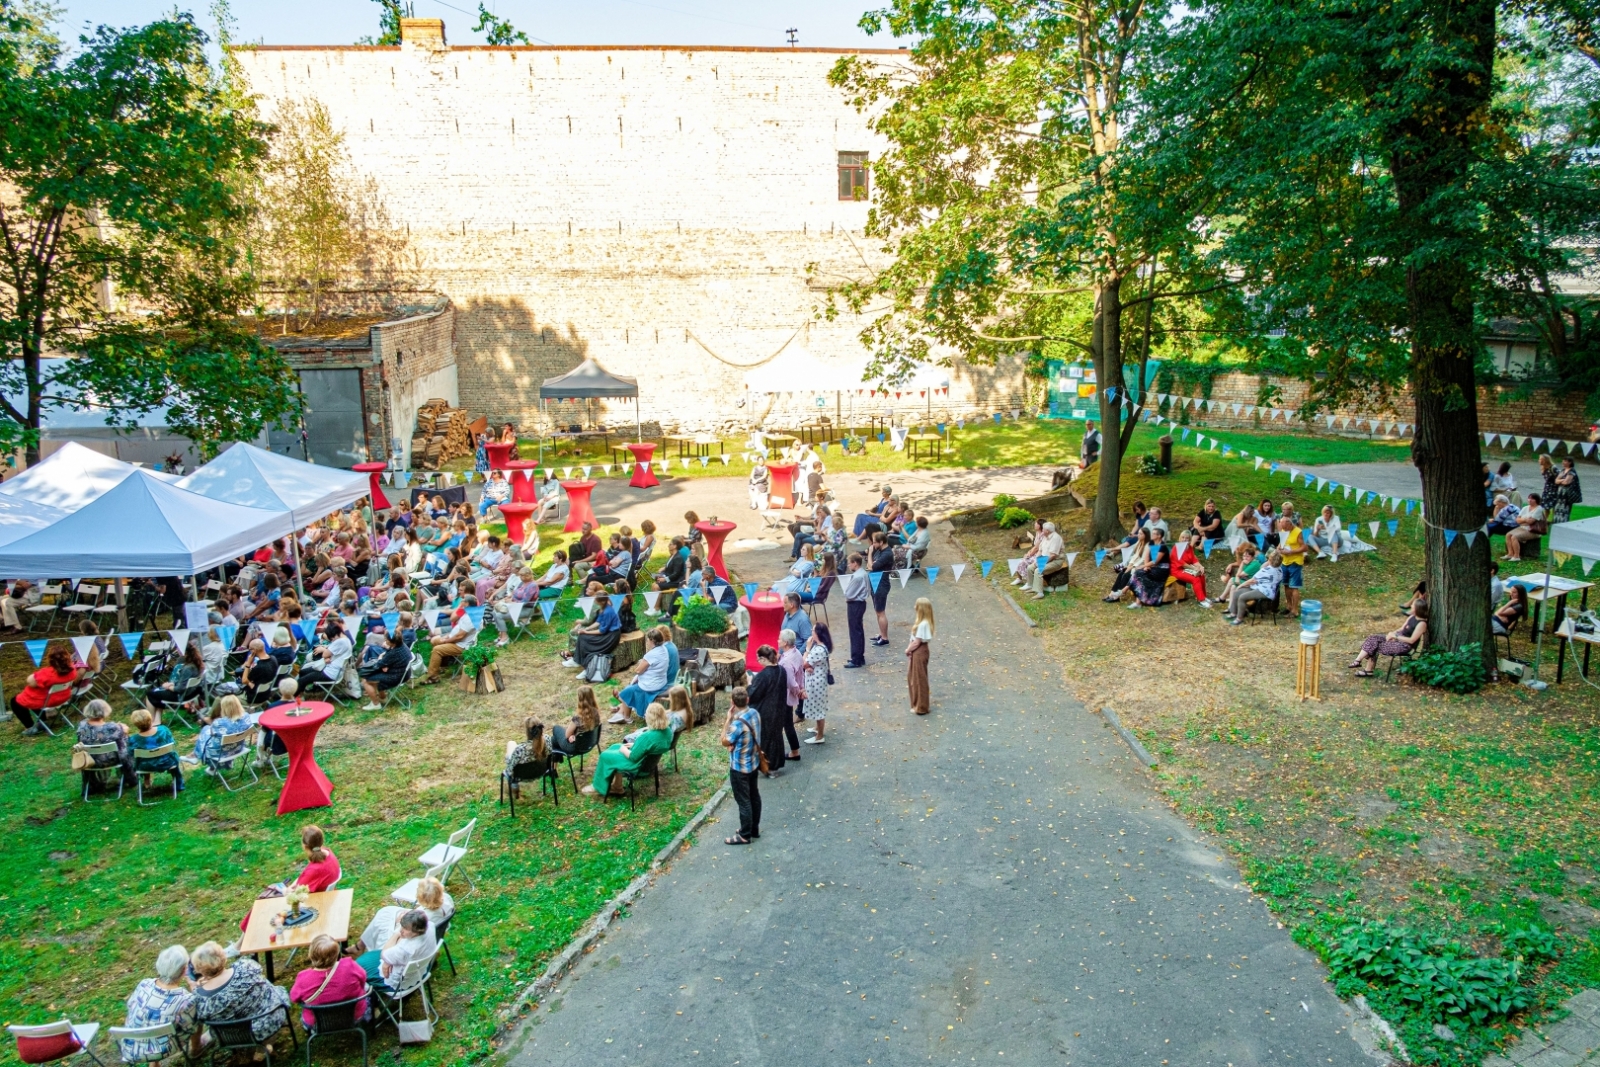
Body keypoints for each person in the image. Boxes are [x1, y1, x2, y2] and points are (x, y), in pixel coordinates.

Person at [190, 942, 290, 1044]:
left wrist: (203, 986)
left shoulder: (200, 997)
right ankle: (266, 1044)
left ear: (199, 969)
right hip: (266, 1023)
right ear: (222, 956)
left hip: (230, 1038)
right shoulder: (246, 967)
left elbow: (201, 1018)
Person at [120, 946, 197, 1062]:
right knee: (197, 1017)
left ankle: (154, 1064)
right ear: (184, 970)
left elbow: (130, 1006)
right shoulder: (185, 999)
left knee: (150, 1020)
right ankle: (197, 1049)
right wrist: (194, 990)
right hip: (161, 1049)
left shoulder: (144, 984)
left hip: (131, 1047)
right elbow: (190, 1027)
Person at [583, 701, 674, 797]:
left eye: (646, 714)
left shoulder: (648, 736)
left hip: (637, 765)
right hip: (646, 763)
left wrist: (623, 749)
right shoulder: (667, 731)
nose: (645, 716)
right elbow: (649, 747)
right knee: (615, 746)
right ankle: (617, 787)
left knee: (605, 756)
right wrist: (634, 746)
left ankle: (597, 787)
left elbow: (633, 757)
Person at [355, 877, 453, 955]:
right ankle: (361, 945)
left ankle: (371, 954)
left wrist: (400, 922)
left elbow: (405, 934)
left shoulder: (425, 917)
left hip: (405, 937)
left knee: (381, 922)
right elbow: (428, 911)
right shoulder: (447, 899)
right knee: (386, 911)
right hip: (423, 925)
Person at [290, 935, 370, 1029]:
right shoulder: (350, 965)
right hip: (354, 1017)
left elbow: (294, 998)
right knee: (367, 988)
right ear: (336, 954)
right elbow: (363, 979)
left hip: (318, 1024)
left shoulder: (303, 978)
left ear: (311, 955)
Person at [721, 686, 763, 844]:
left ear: (732, 702)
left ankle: (744, 835)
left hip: (739, 768)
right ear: (748, 699)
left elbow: (724, 740)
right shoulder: (755, 713)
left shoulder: (736, 724)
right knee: (754, 796)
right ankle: (754, 828)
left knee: (743, 801)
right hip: (753, 762)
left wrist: (727, 719)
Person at [356, 909, 436, 990]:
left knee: (357, 966)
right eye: (401, 925)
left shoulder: (405, 949)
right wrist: (388, 961)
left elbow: (384, 954)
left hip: (398, 983)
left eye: (405, 928)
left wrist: (396, 934)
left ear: (416, 932)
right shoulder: (430, 926)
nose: (401, 930)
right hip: (419, 971)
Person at [11, 644, 79, 734]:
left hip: (47, 701)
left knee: (15, 701)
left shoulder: (47, 673)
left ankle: (30, 727)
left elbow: (30, 681)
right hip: (63, 698)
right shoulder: (72, 670)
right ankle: (42, 721)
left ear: (50, 659)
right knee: (35, 697)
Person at [1351, 602, 1429, 676]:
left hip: (1406, 646)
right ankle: (1358, 661)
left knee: (1375, 645)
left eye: (1413, 605)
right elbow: (1401, 629)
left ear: (1417, 609)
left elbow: (1412, 640)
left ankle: (1367, 669)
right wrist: (1392, 634)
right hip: (1398, 639)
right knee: (1373, 638)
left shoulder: (1422, 624)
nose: (1411, 606)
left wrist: (1396, 637)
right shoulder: (1412, 617)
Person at [746, 644, 789, 777]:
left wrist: (749, 683)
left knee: (766, 739)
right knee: (776, 737)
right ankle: (775, 765)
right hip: (779, 708)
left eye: (759, 659)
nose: (758, 662)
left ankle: (767, 766)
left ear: (764, 659)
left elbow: (753, 695)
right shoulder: (782, 670)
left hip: (765, 711)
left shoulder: (762, 676)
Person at [612, 628, 672, 723]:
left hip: (651, 686)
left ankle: (626, 717)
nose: (647, 641)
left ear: (652, 641)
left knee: (629, 690)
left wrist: (639, 664)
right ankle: (621, 707)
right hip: (661, 682)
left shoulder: (651, 655)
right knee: (632, 685)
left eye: (648, 639)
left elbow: (638, 670)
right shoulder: (664, 649)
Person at [421, 599, 480, 684]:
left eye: (462, 604)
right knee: (435, 641)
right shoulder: (466, 613)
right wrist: (447, 636)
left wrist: (446, 641)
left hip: (462, 646)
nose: (460, 605)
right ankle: (443, 666)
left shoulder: (471, 618)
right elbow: (453, 619)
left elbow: (459, 636)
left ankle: (433, 677)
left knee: (437, 650)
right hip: (455, 639)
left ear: (467, 604)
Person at [562, 591, 622, 673]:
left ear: (601, 601)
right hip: (607, 633)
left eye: (596, 600)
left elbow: (602, 631)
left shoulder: (608, 611)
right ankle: (577, 661)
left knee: (585, 639)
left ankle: (584, 664)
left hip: (611, 636)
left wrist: (586, 632)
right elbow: (598, 622)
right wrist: (587, 629)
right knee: (582, 636)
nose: (594, 601)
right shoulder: (603, 608)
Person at [128, 708, 183, 792]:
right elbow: (172, 744)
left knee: (142, 758)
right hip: (167, 762)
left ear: (136, 724)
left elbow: (131, 754)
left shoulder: (134, 739)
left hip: (145, 766)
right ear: (150, 719)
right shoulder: (163, 730)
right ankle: (177, 781)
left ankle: (147, 781)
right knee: (171, 754)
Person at [1224, 549, 1283, 625]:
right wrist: (1269, 561)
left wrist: (1240, 586)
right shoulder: (1279, 569)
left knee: (1242, 597)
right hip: (1262, 587)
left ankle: (1239, 619)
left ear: (1270, 560)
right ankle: (1233, 613)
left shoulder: (1266, 570)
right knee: (1237, 593)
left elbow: (1251, 580)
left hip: (1264, 592)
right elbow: (1262, 568)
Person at [359, 630, 411, 709]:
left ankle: (375, 704)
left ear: (392, 642)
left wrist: (380, 657)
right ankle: (383, 698)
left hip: (396, 677)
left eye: (386, 640)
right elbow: (387, 658)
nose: (385, 641)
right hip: (404, 674)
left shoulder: (394, 653)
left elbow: (379, 665)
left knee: (365, 681)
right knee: (376, 675)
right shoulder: (402, 645)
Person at [299, 617, 353, 691]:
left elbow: (324, 655)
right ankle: (314, 690)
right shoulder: (346, 640)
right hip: (334, 671)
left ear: (335, 634)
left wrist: (323, 649)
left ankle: (293, 698)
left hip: (329, 673)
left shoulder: (339, 642)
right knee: (303, 672)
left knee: (302, 679)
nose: (332, 640)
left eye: (331, 638)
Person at [503, 717, 549, 799]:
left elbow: (510, 771)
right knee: (512, 746)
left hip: (521, 775)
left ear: (527, 732)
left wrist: (507, 758)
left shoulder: (520, 749)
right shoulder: (548, 740)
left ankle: (514, 787)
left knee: (511, 743)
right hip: (542, 771)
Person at [801, 624, 832, 744]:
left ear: (818, 633)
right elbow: (808, 664)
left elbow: (804, 663)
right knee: (816, 704)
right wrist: (808, 665)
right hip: (815, 680)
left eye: (813, 630)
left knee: (818, 708)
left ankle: (820, 736)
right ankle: (817, 728)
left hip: (817, 684)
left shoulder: (818, 649)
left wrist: (807, 649)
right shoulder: (819, 646)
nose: (811, 632)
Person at [1103, 528, 1152, 603]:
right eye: (1138, 533)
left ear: (1146, 535)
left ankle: (1117, 596)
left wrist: (1132, 567)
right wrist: (1129, 565)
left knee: (1126, 575)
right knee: (1121, 573)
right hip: (1133, 566)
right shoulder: (1139, 542)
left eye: (1141, 534)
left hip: (1140, 567)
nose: (1138, 535)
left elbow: (1142, 560)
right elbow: (1135, 556)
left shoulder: (1147, 546)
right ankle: (1111, 594)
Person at [777, 629, 805, 760]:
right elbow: (800, 673)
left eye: (780, 639)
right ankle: (794, 750)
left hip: (785, 696)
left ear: (786, 643)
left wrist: (798, 691)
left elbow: (790, 682)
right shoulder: (796, 652)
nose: (778, 641)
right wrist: (801, 689)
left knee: (787, 723)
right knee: (787, 723)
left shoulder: (786, 662)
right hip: (790, 694)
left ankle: (794, 751)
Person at [1017, 522, 1063, 600]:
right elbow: (1040, 551)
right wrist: (1037, 560)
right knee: (1030, 568)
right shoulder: (1045, 537)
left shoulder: (1056, 538)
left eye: (1043, 529)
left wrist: (1042, 563)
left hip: (1055, 561)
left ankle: (1040, 593)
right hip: (1044, 559)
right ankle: (1031, 586)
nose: (1042, 531)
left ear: (1047, 531)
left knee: (1038, 570)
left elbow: (1053, 555)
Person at [552, 685, 603, 756]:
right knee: (554, 740)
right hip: (589, 744)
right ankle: (553, 765)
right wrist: (574, 736)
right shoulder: (596, 713)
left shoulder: (578, 718)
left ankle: (551, 765)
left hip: (574, 747)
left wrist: (572, 736)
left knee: (556, 728)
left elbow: (567, 735)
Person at [1129, 527, 1173, 608]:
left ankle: (1139, 602)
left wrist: (1143, 566)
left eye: (1154, 533)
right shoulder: (1151, 543)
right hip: (1152, 566)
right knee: (1138, 573)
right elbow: (1147, 556)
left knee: (1141, 575)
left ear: (1159, 536)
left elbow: (1155, 561)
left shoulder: (1162, 546)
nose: (1151, 535)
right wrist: (1146, 566)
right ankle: (1138, 602)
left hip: (1161, 569)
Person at [906, 597, 934, 716]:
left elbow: (917, 642)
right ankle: (917, 703)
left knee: (919, 679)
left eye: (916, 605)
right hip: (918, 650)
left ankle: (921, 706)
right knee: (914, 677)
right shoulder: (924, 622)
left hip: (919, 651)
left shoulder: (923, 624)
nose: (914, 607)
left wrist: (908, 650)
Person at [841, 552, 870, 668]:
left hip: (855, 604)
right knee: (858, 630)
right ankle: (859, 656)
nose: (848, 565)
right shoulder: (862, 574)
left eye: (850, 563)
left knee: (855, 632)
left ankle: (856, 658)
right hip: (859, 603)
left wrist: (846, 593)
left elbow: (849, 593)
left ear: (855, 563)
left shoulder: (858, 576)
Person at [1169, 531, 1212, 607]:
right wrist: (1194, 568)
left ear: (1189, 540)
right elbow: (1183, 564)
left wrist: (1200, 566)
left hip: (1187, 569)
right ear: (1179, 538)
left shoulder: (1190, 547)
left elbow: (1193, 560)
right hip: (1177, 570)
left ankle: (1204, 597)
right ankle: (1201, 600)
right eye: (1183, 537)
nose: (1184, 539)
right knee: (1195, 579)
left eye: (1187, 538)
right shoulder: (1176, 548)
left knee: (1201, 575)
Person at [1277, 516, 1307, 615]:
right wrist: (1279, 550)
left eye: (1285, 526)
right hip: (1285, 561)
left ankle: (1295, 609)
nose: (1283, 528)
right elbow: (1281, 544)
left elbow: (1304, 547)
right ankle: (1289, 606)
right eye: (1282, 526)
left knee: (1294, 586)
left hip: (1295, 561)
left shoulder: (1298, 532)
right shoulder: (1283, 530)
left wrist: (1291, 551)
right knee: (1286, 585)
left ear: (1290, 524)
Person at [1504, 492, 1547, 561]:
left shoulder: (1539, 509)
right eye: (1529, 498)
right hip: (1522, 528)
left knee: (1515, 537)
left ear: (1536, 500)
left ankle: (1516, 556)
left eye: (1532, 499)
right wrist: (1525, 520)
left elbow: (1531, 522)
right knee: (1508, 535)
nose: (1530, 500)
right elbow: (1517, 520)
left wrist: (1523, 520)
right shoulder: (1525, 508)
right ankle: (1510, 553)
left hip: (1533, 530)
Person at [869, 531, 894, 647]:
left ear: (881, 542)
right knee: (877, 611)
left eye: (874, 542)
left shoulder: (887, 554)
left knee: (881, 612)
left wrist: (869, 555)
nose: (873, 545)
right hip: (875, 583)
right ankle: (881, 634)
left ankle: (885, 638)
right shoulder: (880, 551)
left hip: (881, 584)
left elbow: (872, 566)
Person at [1554, 457, 1582, 524]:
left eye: (1565, 461)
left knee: (1565, 509)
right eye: (1563, 461)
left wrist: (1560, 481)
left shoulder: (1572, 471)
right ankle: (1557, 522)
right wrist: (1562, 480)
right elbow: (1556, 481)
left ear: (1570, 462)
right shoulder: (1563, 470)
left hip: (1567, 494)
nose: (1563, 462)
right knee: (1557, 508)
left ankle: (1564, 522)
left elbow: (1566, 482)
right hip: (1560, 493)